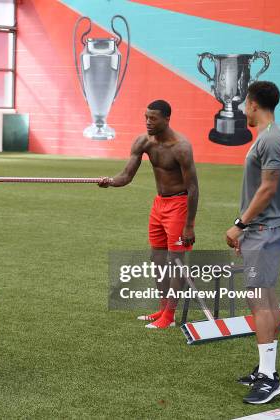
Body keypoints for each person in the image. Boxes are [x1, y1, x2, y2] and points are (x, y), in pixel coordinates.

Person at [99, 100, 199, 328]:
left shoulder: (181, 147)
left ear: (166, 119)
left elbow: (193, 187)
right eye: (146, 117)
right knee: (157, 259)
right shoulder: (143, 142)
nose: (148, 122)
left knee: (176, 262)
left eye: (153, 118)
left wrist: (189, 225)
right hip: (159, 205)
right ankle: (163, 308)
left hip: (179, 205)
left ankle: (170, 317)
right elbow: (126, 176)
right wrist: (110, 182)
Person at [225, 81, 280, 404]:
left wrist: (240, 225)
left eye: (244, 104)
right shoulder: (268, 138)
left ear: (252, 104)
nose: (241, 110)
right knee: (262, 295)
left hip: (266, 229)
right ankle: (266, 368)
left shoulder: (272, 139)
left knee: (260, 296)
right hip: (261, 230)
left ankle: (269, 378)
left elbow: (268, 189)